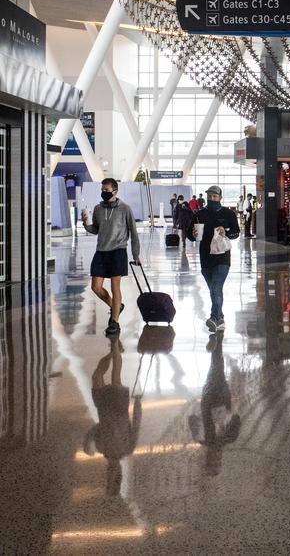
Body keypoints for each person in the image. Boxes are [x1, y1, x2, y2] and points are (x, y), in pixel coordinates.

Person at [82, 178, 140, 336]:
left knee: (115, 287)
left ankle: (115, 322)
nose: (104, 193)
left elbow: (134, 233)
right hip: (101, 251)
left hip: (118, 251)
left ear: (115, 191)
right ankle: (116, 306)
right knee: (96, 287)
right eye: (102, 189)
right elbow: (96, 229)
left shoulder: (125, 209)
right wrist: (86, 224)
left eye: (106, 190)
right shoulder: (98, 209)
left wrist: (136, 254)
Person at [83, 337, 141, 495]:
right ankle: (115, 342)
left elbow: (96, 429)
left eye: (108, 475)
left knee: (97, 376)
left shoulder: (101, 448)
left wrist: (87, 442)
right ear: (119, 471)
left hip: (103, 407)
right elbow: (136, 425)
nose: (110, 471)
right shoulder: (128, 448)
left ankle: (113, 351)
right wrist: (138, 404)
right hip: (118, 407)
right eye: (113, 475)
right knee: (116, 375)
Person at [188, 331, 241, 476]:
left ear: (207, 458)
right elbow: (236, 418)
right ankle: (217, 340)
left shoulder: (201, 438)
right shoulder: (229, 437)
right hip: (220, 398)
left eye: (213, 461)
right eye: (218, 462)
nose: (216, 458)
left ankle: (217, 340)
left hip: (211, 398)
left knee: (216, 368)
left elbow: (192, 418)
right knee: (217, 368)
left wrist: (196, 407)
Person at [190, 186, 241, 332]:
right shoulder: (199, 214)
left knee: (216, 286)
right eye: (209, 196)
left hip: (222, 257)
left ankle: (213, 317)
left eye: (214, 196)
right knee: (213, 289)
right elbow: (189, 233)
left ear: (220, 198)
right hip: (205, 257)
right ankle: (220, 317)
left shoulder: (228, 213)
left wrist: (227, 231)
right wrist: (192, 234)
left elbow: (236, 232)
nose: (211, 199)